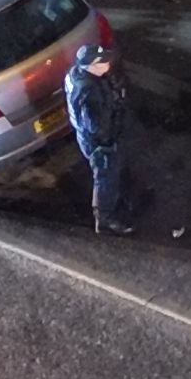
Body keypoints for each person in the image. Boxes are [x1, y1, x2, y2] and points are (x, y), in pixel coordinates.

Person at [70, 35, 135, 235]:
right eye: (102, 61)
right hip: (101, 144)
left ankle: (120, 201)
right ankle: (106, 220)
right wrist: (110, 137)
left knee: (113, 174)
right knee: (105, 178)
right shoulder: (88, 92)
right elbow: (95, 126)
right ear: (91, 67)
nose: (108, 62)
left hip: (102, 138)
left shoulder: (80, 75)